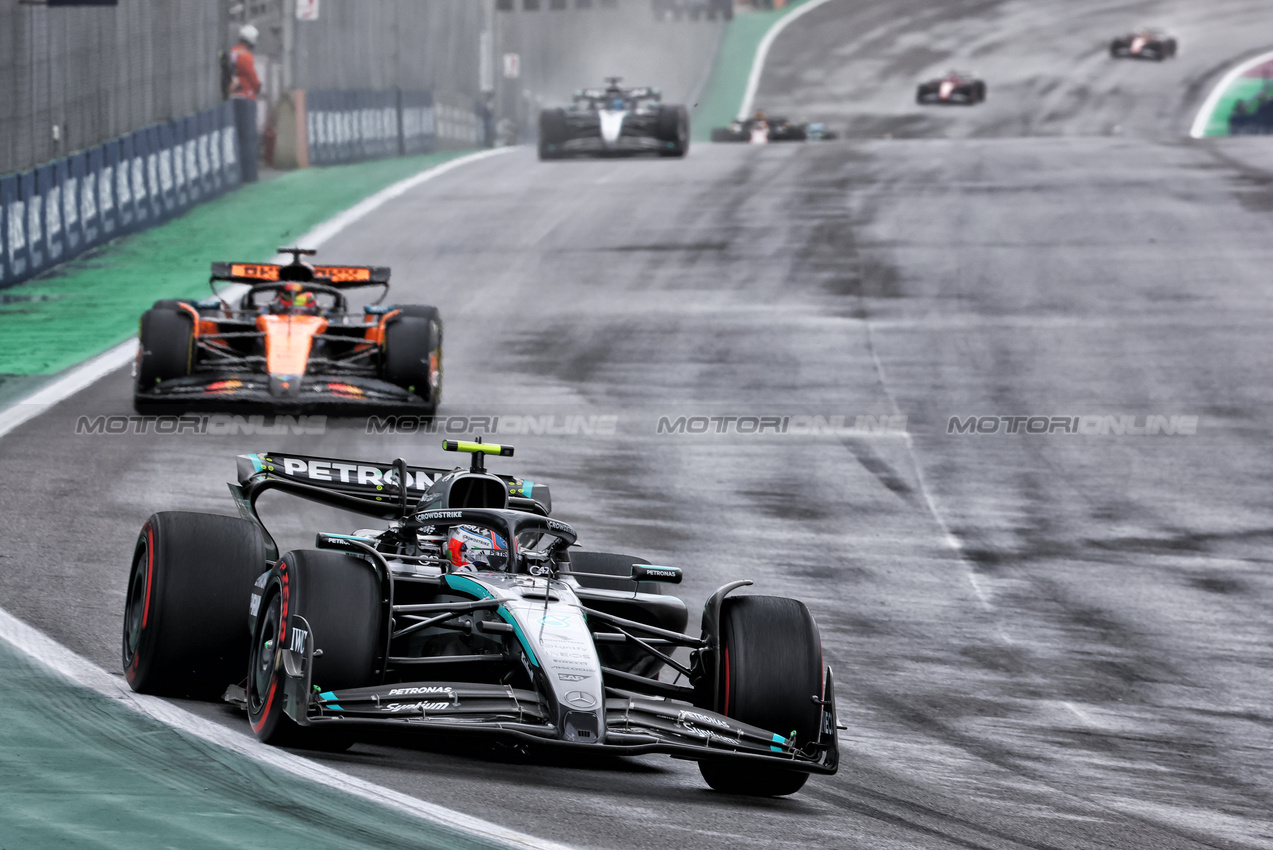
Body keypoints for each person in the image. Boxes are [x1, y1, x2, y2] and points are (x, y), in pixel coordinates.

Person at [230, 24, 262, 101]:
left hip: (233, 92)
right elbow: (251, 75)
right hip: (246, 94)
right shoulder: (246, 55)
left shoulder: (234, 51)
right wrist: (257, 87)